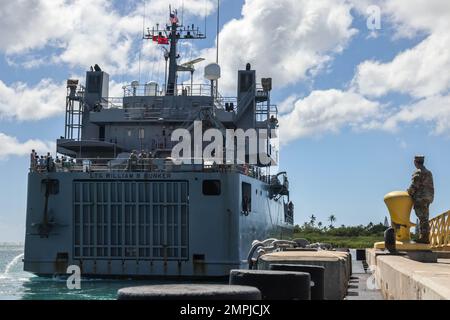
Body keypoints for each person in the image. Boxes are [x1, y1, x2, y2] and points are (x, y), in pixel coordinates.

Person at [407, 155, 434, 244]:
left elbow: (414, 186)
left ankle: (424, 237)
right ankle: (425, 237)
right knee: (425, 217)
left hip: (420, 198)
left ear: (415, 162)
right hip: (428, 197)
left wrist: (408, 193)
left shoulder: (418, 172)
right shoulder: (428, 172)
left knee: (422, 217)